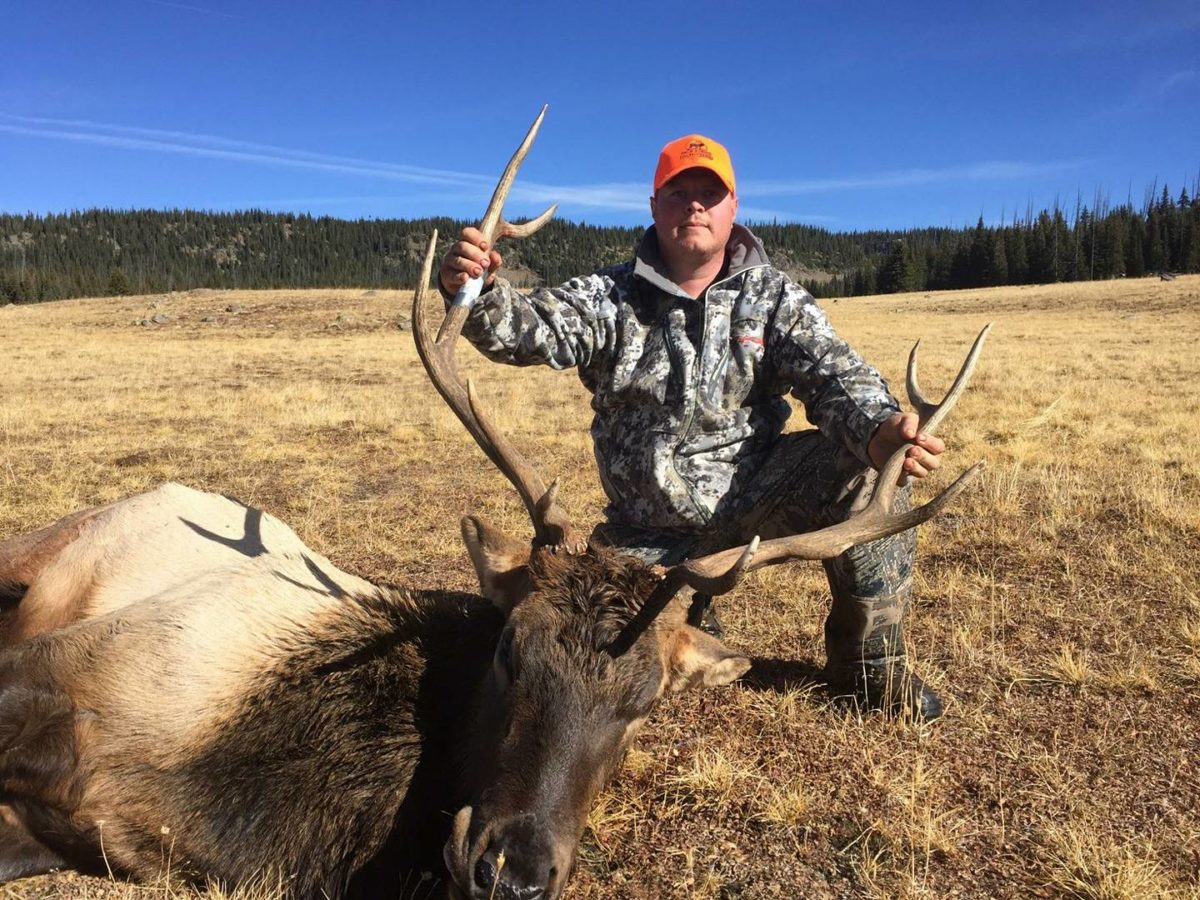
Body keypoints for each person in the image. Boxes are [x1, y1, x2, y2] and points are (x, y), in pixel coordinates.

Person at [438, 134, 948, 720]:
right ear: (655, 206)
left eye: (710, 193)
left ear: (734, 208)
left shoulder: (773, 297)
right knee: (590, 646)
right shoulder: (609, 296)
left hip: (756, 493)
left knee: (870, 474)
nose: (695, 206)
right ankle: (693, 610)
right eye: (679, 193)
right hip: (644, 528)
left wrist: (877, 428)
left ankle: (868, 670)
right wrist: (475, 289)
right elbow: (528, 329)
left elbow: (833, 374)